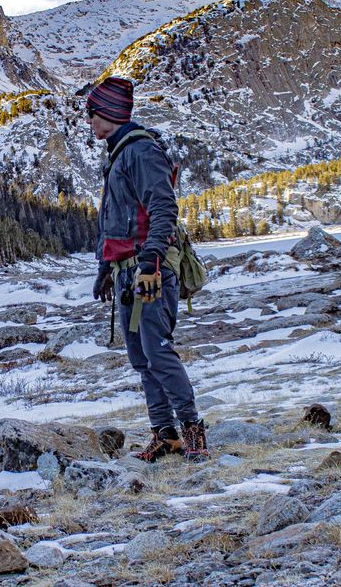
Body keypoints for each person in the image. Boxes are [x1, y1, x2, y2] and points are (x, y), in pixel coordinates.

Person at [88, 76, 209, 462]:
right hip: (128, 271)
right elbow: (118, 218)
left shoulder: (140, 151)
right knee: (142, 358)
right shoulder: (120, 153)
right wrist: (106, 268)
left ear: (109, 113)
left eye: (93, 113)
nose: (89, 120)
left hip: (148, 270)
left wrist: (151, 261)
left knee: (158, 352)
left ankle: (193, 435)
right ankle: (165, 435)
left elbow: (163, 209)